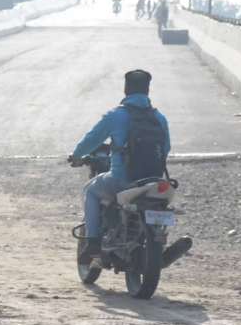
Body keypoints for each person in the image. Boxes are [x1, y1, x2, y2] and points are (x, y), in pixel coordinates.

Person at [70, 69, 171, 262]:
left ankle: (92, 241)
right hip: (153, 182)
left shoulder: (115, 115)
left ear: (126, 90)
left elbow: (91, 140)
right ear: (147, 91)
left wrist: (75, 155)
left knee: (90, 191)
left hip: (121, 180)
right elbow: (166, 148)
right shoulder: (159, 117)